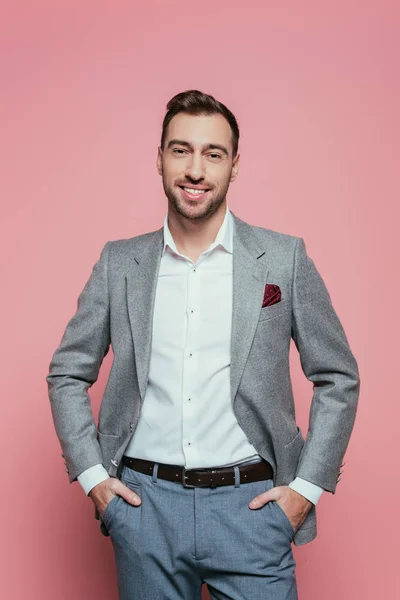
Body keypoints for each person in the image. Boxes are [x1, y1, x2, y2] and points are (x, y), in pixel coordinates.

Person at [46, 89, 360, 600]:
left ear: (234, 165)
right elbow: (66, 372)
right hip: (143, 511)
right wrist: (93, 479)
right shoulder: (119, 264)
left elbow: (338, 376)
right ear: (160, 158)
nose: (196, 169)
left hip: (253, 511)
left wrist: (304, 491)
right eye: (181, 150)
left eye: (213, 154)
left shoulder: (283, 260)